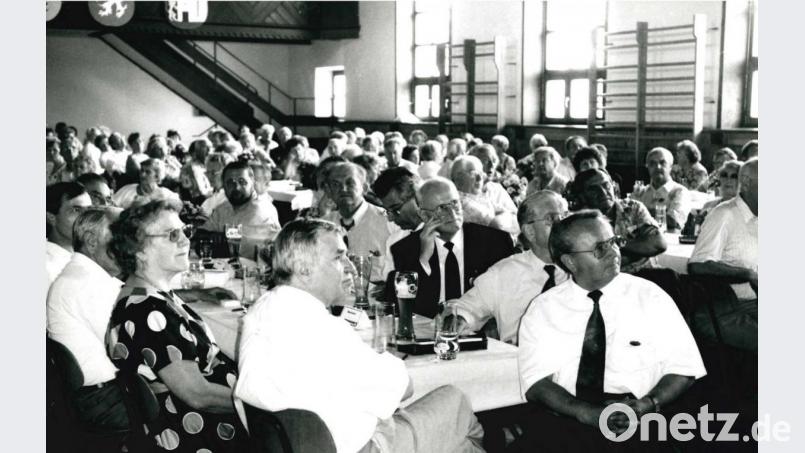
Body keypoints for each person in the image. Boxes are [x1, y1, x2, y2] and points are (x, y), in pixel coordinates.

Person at [234, 219, 484, 453]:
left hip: (294, 442)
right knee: (457, 403)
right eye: (339, 258)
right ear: (304, 269)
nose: (351, 268)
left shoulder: (261, 310)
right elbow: (403, 387)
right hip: (357, 447)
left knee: (457, 442)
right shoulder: (323, 328)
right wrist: (382, 359)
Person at [515, 211, 706, 451]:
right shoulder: (543, 309)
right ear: (570, 262)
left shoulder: (651, 297)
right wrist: (585, 413)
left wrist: (648, 403)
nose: (613, 253)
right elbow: (535, 382)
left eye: (613, 242)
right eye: (599, 249)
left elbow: (684, 368)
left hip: (640, 416)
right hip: (569, 417)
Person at [106, 200, 247, 451]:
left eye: (185, 231)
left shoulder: (146, 293)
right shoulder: (147, 311)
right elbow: (197, 394)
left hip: (196, 422)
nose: (185, 240)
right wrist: (257, 403)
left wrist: (202, 296)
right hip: (201, 434)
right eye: (172, 234)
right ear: (138, 250)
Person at [451, 191, 570, 344]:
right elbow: (466, 308)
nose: (563, 224)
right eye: (552, 218)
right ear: (530, 232)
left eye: (565, 216)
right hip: (518, 361)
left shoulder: (584, 267)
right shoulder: (504, 273)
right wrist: (461, 319)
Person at [47, 207, 128, 431]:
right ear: (92, 241)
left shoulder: (90, 274)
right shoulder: (86, 285)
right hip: (105, 401)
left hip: (101, 395)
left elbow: (130, 293)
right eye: (122, 236)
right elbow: (131, 352)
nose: (131, 246)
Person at [389, 177, 514, 317]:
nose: (452, 214)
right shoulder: (405, 249)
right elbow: (404, 307)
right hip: (429, 333)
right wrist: (423, 261)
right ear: (424, 215)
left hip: (479, 331)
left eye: (454, 203)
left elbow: (509, 297)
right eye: (441, 208)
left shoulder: (495, 241)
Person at [689, 158, 758, 326]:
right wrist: (747, 274)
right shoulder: (724, 214)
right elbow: (697, 266)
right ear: (747, 183)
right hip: (731, 308)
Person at [573, 169, 667, 273]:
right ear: (582, 196)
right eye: (593, 189)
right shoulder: (579, 222)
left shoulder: (633, 208)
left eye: (606, 185)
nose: (603, 192)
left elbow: (658, 244)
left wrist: (618, 243)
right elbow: (595, 265)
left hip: (648, 272)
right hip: (612, 282)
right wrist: (639, 248)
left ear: (613, 186)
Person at [322, 162, 395, 282]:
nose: (343, 189)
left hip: (376, 297)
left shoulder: (388, 221)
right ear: (328, 191)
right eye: (336, 184)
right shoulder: (324, 225)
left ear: (365, 188)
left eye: (350, 183)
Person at [201, 160, 281, 256]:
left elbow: (238, 249)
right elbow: (201, 234)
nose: (236, 187)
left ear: (253, 183)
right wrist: (212, 237)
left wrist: (217, 238)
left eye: (242, 182)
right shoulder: (223, 208)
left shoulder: (261, 210)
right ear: (224, 186)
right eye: (230, 182)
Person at [373, 167, 423, 281]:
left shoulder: (445, 235)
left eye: (396, 209)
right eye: (387, 211)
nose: (390, 219)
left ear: (418, 198)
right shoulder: (395, 242)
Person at [451, 155, 518, 235]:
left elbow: (518, 218)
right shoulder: (460, 201)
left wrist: (503, 216)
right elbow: (498, 226)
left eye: (481, 173)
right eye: (473, 173)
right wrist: (506, 214)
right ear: (459, 178)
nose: (479, 178)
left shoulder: (479, 196)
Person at [632, 147, 691, 231]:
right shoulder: (641, 192)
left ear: (671, 167)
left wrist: (640, 212)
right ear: (647, 167)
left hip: (668, 242)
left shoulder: (680, 192)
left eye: (663, 163)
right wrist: (661, 213)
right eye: (652, 163)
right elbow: (628, 217)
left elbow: (673, 221)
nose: (658, 167)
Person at [47, 182, 92, 286]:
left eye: (89, 210)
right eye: (77, 210)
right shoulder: (49, 269)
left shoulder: (88, 255)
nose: (87, 217)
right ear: (51, 217)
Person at [112, 158, 181, 209]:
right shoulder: (127, 190)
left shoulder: (166, 194)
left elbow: (178, 206)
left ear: (157, 177)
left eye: (147, 172)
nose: (142, 174)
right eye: (141, 170)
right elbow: (111, 207)